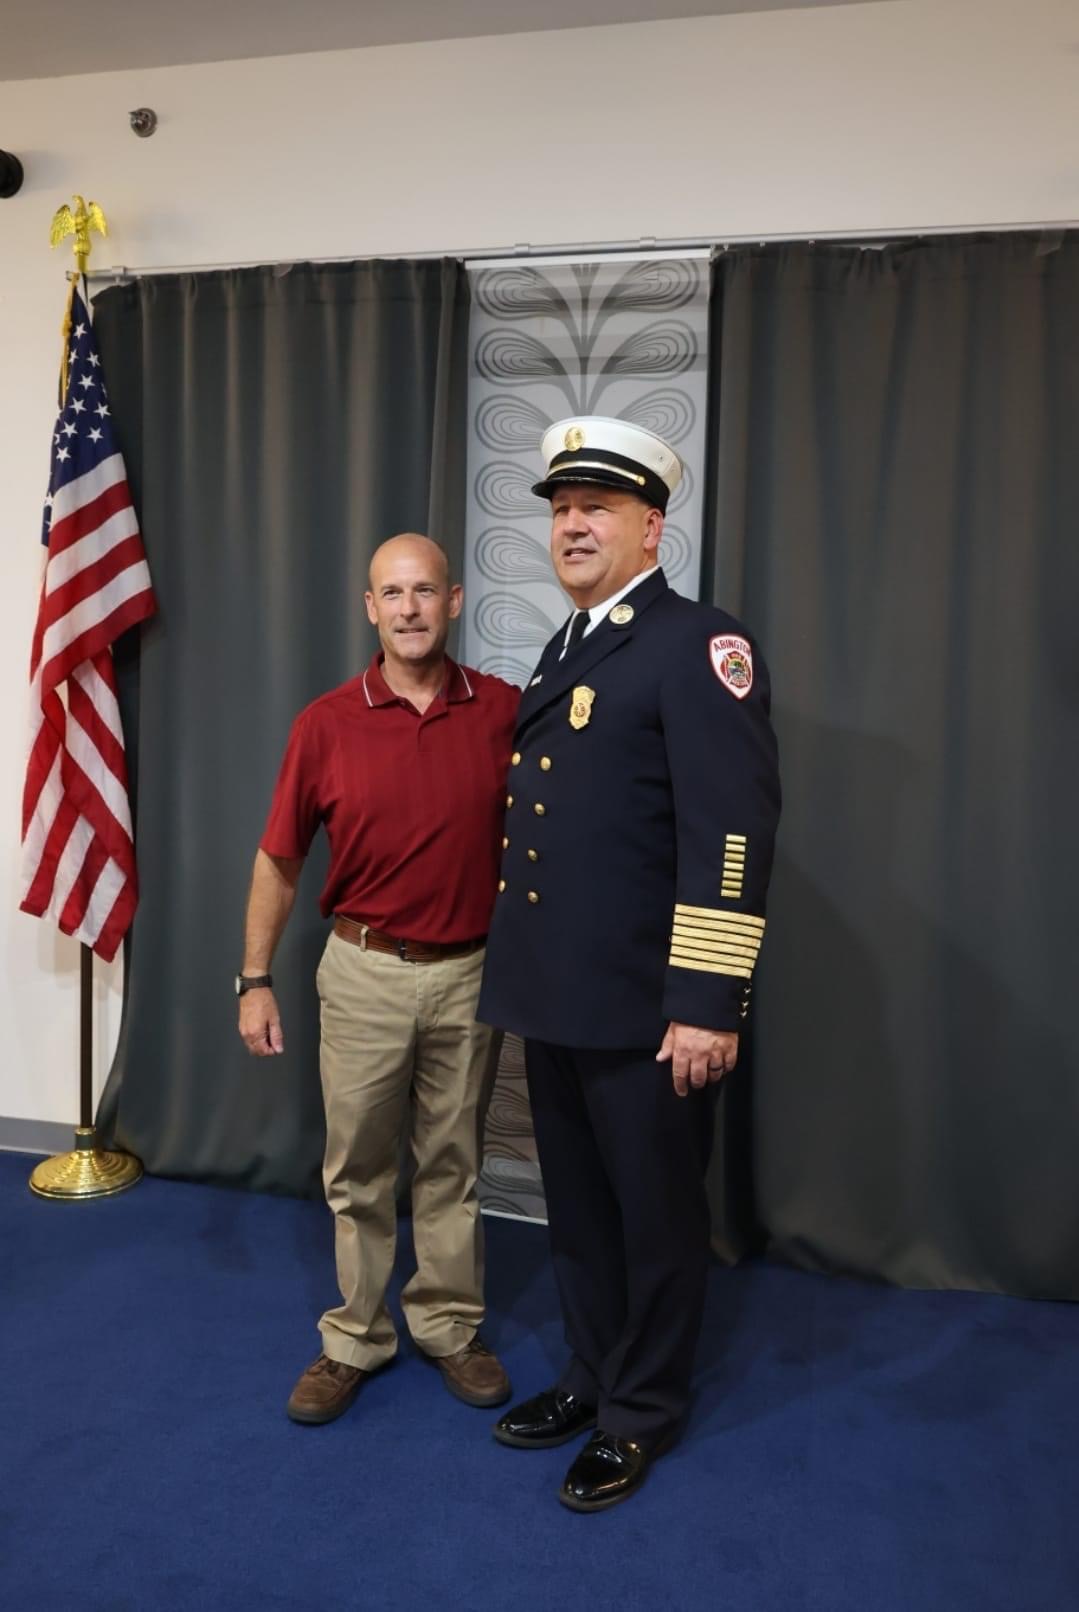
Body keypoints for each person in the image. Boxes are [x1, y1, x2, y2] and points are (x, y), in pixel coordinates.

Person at [479, 418, 781, 1512]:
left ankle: (641, 1411)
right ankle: (593, 1375)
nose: (570, 525)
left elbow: (731, 837)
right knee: (580, 1212)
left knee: (653, 1220)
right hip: (558, 997)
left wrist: (705, 1002)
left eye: (595, 507)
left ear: (651, 525)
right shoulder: (567, 648)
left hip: (650, 1010)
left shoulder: (699, 645)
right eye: (560, 508)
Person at [238, 533, 519, 1426]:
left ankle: (448, 1326)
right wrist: (253, 978)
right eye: (391, 593)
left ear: (454, 601)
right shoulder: (325, 722)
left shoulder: (505, 711)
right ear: (370, 607)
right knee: (357, 1168)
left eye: (424, 591)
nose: (408, 608)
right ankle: (352, 1338)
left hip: (470, 974)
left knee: (451, 1163)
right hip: (361, 972)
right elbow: (279, 859)